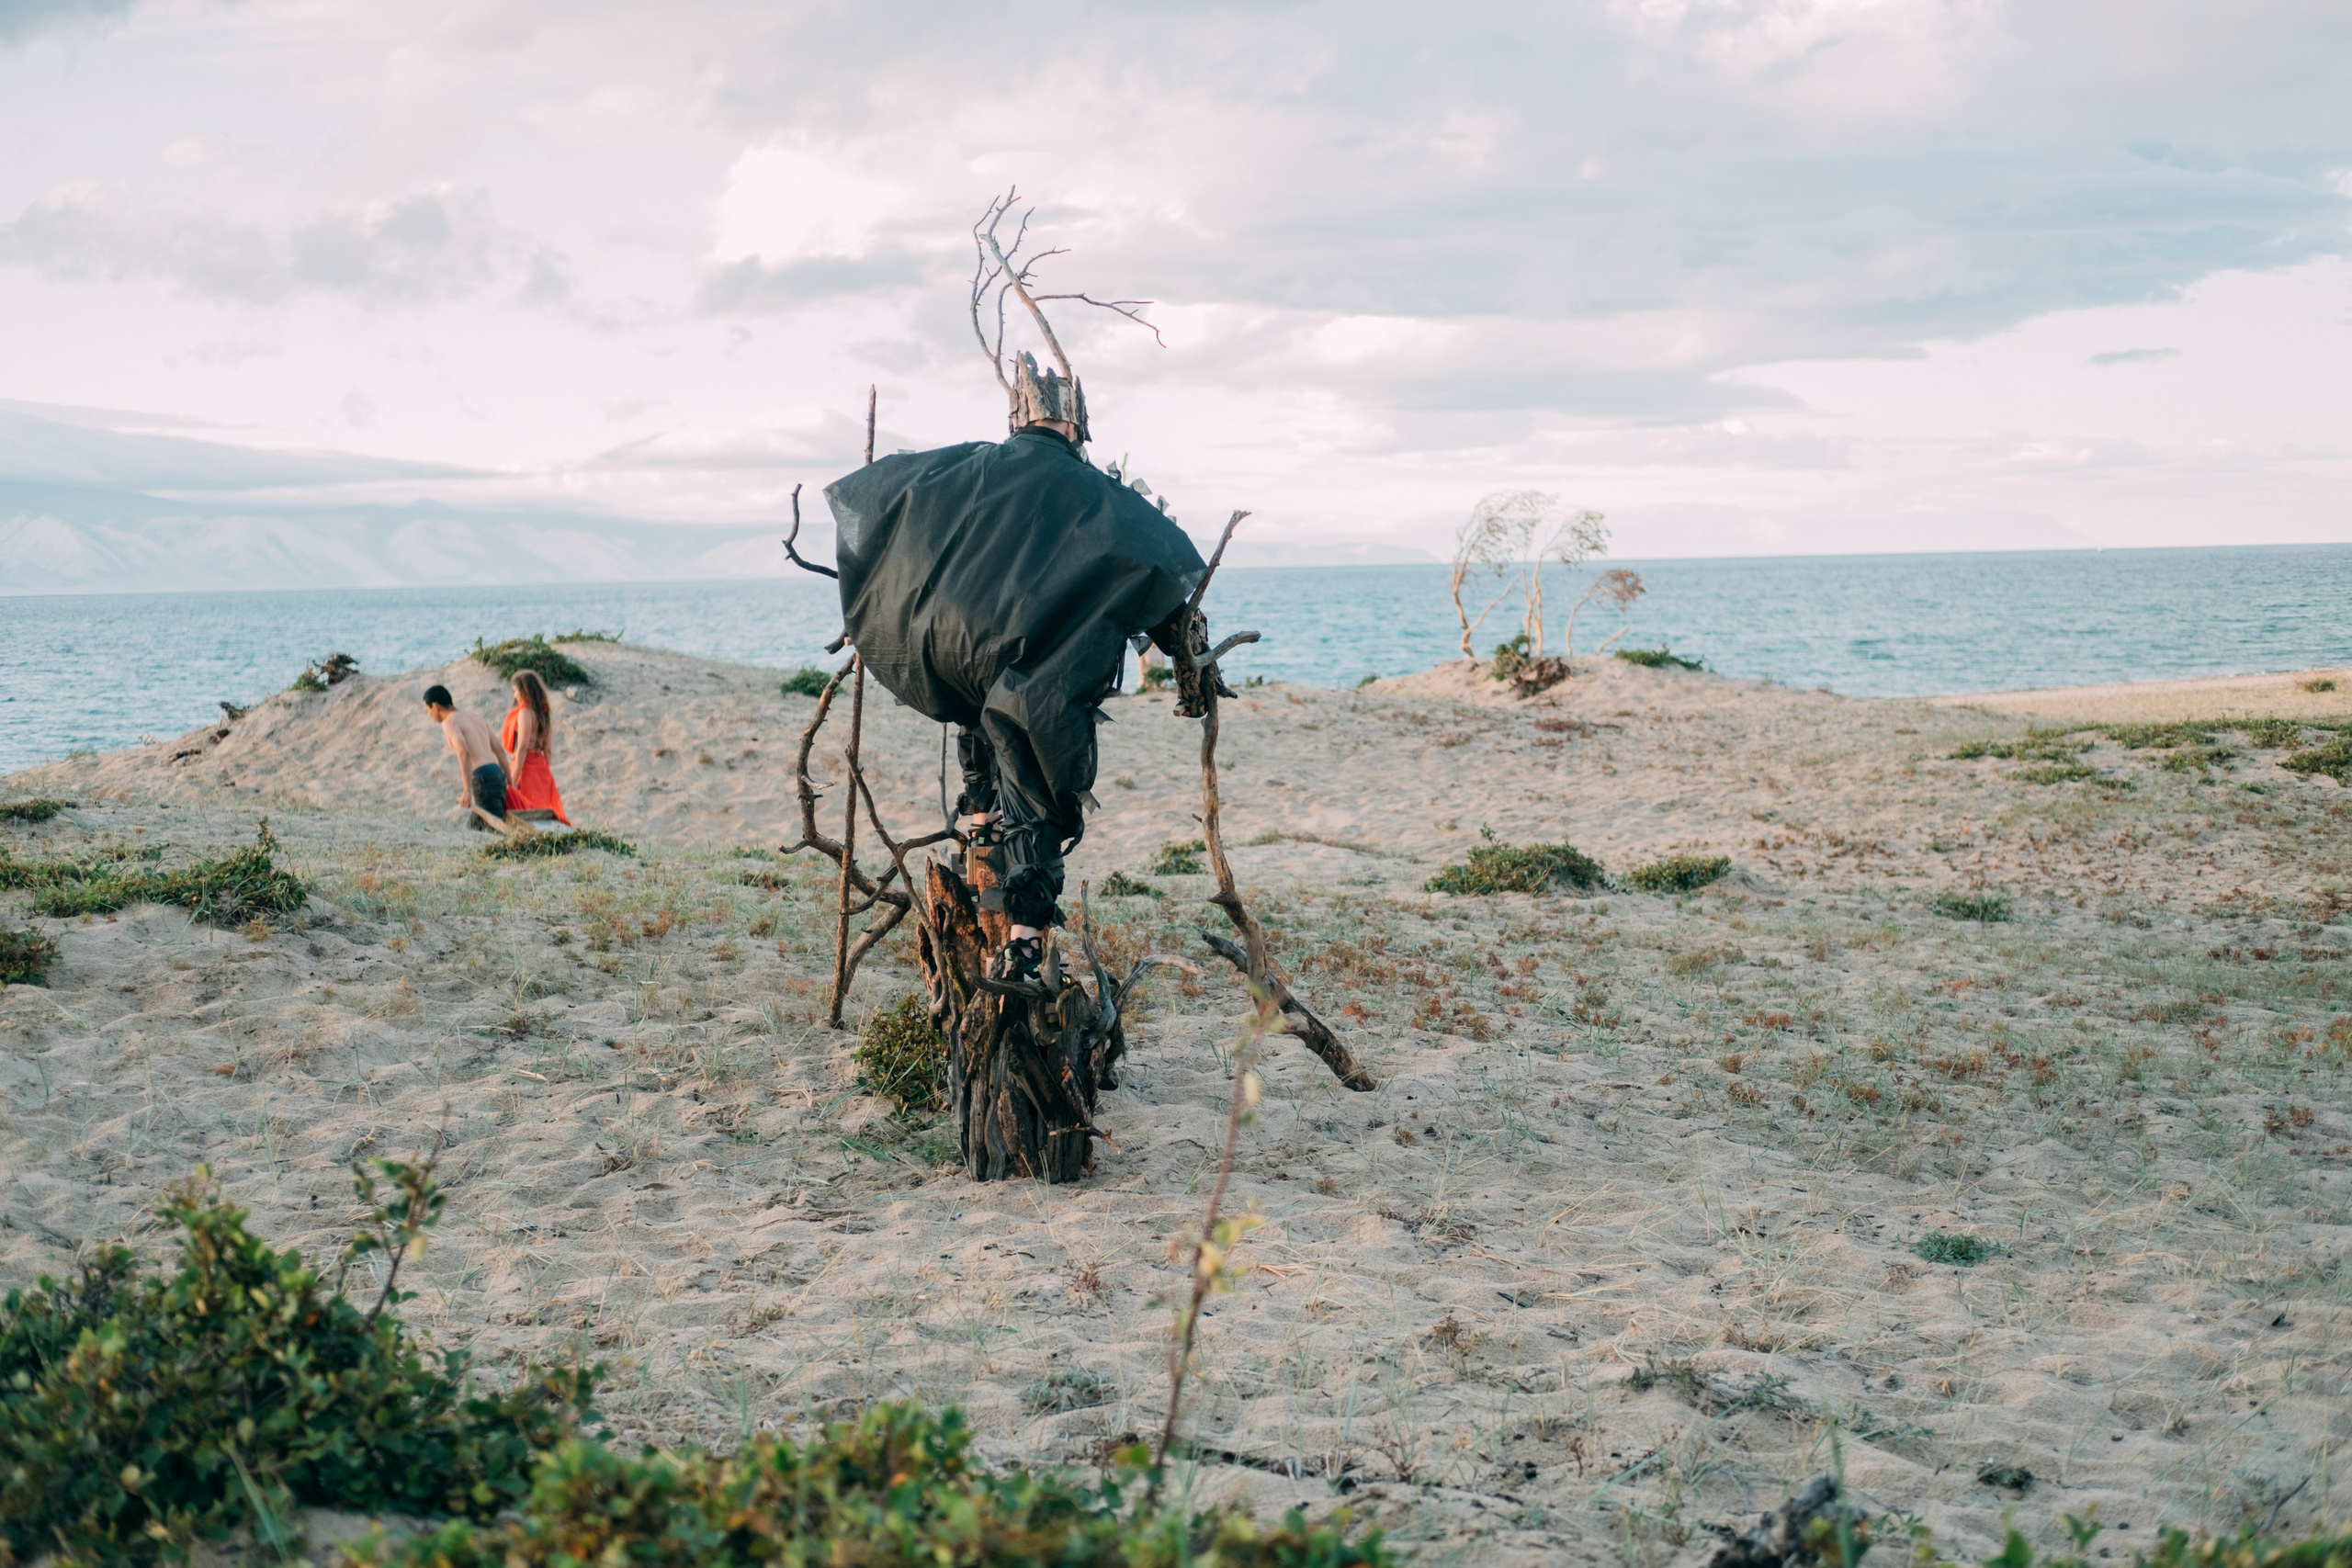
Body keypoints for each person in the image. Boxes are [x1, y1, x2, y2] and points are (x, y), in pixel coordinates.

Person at [825, 352, 1207, 983]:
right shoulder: (1089, 489)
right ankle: (1023, 943)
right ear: (1074, 425)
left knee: (982, 715)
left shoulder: (971, 465)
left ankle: (978, 818)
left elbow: (886, 490)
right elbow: (1164, 556)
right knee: (1033, 773)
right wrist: (1185, 649)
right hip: (1029, 667)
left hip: (949, 651)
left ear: (1018, 419)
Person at [423, 683, 510, 822]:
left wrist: (467, 791)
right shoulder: (476, 717)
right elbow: (499, 751)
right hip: (497, 773)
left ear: (435, 706)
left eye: (427, 710)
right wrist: (510, 782)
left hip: (483, 777)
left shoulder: (449, 722)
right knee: (478, 823)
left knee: (494, 825)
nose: (430, 715)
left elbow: (463, 752)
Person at [501, 670, 570, 824]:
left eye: (515, 691)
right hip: (541, 765)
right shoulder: (544, 713)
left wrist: (513, 776)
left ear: (525, 691)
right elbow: (548, 749)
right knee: (542, 807)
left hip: (526, 766)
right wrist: (546, 769)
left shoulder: (525, 713)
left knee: (524, 807)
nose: (514, 696)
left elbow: (523, 746)